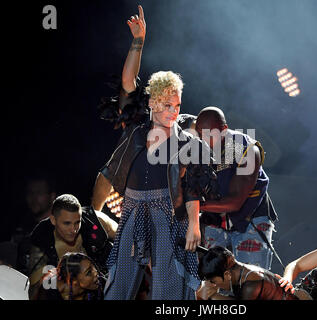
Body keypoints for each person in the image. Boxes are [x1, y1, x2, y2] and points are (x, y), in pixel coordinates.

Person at [93, 6, 214, 300]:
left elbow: (194, 186)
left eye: (177, 105)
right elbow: (127, 82)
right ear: (151, 102)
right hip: (133, 209)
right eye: (166, 104)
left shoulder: (188, 143)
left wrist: (194, 224)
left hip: (168, 213)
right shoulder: (137, 129)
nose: (172, 111)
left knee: (167, 290)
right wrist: (138, 42)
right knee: (118, 286)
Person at [195, 106, 278, 271]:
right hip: (216, 222)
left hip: (250, 221)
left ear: (224, 130)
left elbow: (234, 202)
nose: (204, 139)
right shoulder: (200, 150)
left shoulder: (246, 149)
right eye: (200, 134)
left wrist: (192, 204)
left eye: (210, 134)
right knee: (214, 282)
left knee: (249, 280)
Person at [27, 194, 117, 299]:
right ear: (53, 220)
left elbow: (126, 239)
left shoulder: (95, 221)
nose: (73, 229)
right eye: (67, 223)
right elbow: (34, 293)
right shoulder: (42, 242)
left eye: (77, 222)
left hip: (114, 280)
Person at [198, 246, 301, 300]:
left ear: (227, 275)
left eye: (214, 281)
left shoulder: (251, 285)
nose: (214, 285)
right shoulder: (243, 270)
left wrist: (212, 296)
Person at [36, 252, 106, 300]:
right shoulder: (51, 293)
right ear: (74, 281)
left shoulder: (101, 283)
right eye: (89, 272)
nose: (96, 272)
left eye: (93, 266)